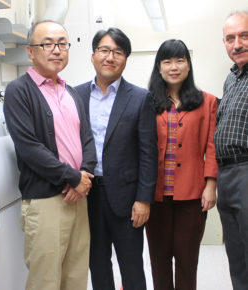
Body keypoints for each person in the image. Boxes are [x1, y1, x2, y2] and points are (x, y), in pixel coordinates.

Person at [3, 20, 97, 290]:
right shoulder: (18, 91)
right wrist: (72, 177)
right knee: (46, 282)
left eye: (62, 44)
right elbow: (29, 147)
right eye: (47, 44)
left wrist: (84, 176)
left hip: (78, 197)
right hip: (46, 201)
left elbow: (87, 139)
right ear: (30, 51)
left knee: (76, 278)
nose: (56, 50)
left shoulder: (71, 92)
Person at [75, 27, 158, 290]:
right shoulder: (75, 95)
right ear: (93, 56)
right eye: (104, 50)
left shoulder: (140, 98)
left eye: (118, 52)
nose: (110, 57)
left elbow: (148, 153)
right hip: (87, 195)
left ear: (125, 59)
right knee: (97, 265)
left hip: (127, 199)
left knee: (132, 267)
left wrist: (143, 199)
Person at [145, 39, 218, 290]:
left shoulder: (207, 102)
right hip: (155, 197)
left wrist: (210, 185)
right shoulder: (147, 102)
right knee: (159, 261)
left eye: (180, 60)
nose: (173, 66)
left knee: (188, 261)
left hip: (193, 195)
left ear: (188, 65)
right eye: (167, 61)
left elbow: (212, 145)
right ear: (159, 67)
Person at [214, 10, 248, 290]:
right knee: (236, 256)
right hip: (226, 174)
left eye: (244, 35)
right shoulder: (232, 78)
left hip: (246, 170)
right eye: (230, 38)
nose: (237, 44)